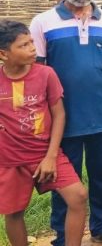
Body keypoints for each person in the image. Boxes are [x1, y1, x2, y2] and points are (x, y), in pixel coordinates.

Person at [29, 0, 102, 246]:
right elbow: (37, 73)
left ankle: (101, 226)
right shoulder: (43, 23)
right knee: (63, 183)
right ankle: (63, 237)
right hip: (62, 121)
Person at [0, 20, 88, 246]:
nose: (32, 48)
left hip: (45, 153)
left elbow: (59, 115)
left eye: (31, 42)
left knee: (78, 197)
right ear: (3, 54)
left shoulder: (45, 74)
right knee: (14, 211)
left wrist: (50, 156)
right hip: (10, 160)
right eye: (23, 45)